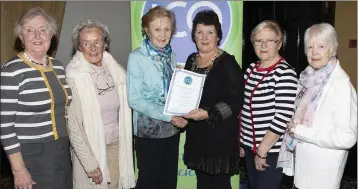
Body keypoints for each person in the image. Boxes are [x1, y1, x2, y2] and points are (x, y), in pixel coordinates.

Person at [0, 7, 73, 189]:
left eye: (43, 30)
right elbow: (4, 124)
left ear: (51, 35)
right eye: (29, 30)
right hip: (31, 153)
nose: (37, 36)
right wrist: (18, 169)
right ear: (21, 37)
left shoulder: (58, 67)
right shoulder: (12, 70)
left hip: (62, 149)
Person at [281, 23, 357, 189]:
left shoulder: (340, 85)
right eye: (310, 47)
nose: (314, 52)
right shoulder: (308, 79)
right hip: (303, 171)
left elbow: (347, 137)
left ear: (333, 49)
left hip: (322, 179)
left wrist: (301, 132)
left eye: (321, 46)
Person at [65, 19, 136, 189]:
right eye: (86, 43)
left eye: (97, 41)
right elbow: (73, 126)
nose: (93, 47)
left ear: (105, 43)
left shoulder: (116, 71)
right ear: (79, 48)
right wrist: (89, 164)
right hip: (91, 151)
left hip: (117, 145)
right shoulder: (74, 77)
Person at [182, 10, 244, 189]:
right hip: (197, 137)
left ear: (218, 36)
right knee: (202, 183)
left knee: (219, 185)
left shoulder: (228, 63)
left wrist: (209, 113)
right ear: (194, 35)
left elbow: (235, 101)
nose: (204, 37)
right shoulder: (191, 60)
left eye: (210, 32)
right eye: (200, 32)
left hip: (219, 140)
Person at [126, 6, 187, 189]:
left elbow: (170, 94)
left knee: (168, 182)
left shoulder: (171, 56)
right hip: (149, 133)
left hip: (171, 130)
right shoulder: (137, 57)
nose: (162, 34)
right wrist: (170, 116)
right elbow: (134, 99)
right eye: (157, 29)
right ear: (146, 29)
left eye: (167, 29)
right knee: (149, 182)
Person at [238, 20, 298, 189]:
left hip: (269, 151)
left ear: (279, 43)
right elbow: (243, 108)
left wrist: (262, 151)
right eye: (258, 41)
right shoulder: (251, 69)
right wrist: (242, 141)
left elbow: (282, 117)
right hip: (250, 146)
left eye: (269, 41)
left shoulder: (285, 73)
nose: (263, 45)